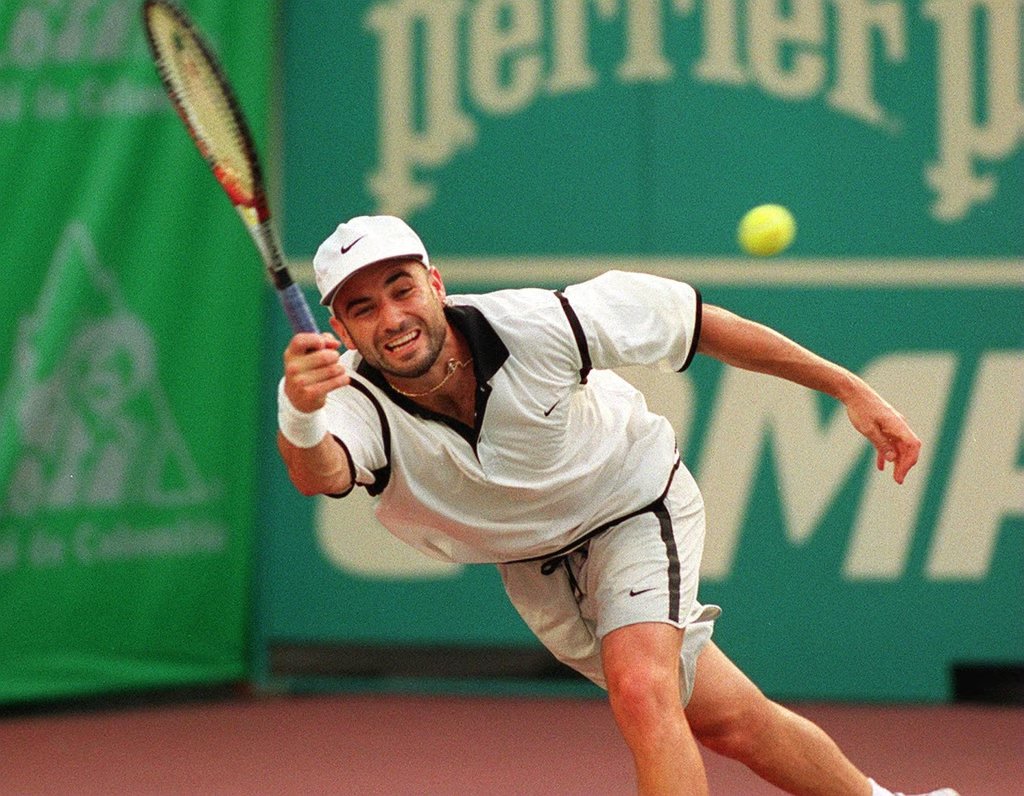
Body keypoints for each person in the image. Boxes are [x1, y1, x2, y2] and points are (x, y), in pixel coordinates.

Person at [277, 214, 958, 796]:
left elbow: (701, 326)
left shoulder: (538, 323)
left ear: (436, 285)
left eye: (402, 290)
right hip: (532, 562)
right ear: (340, 326)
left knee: (641, 689)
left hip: (630, 501)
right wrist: (301, 411)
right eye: (364, 308)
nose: (393, 319)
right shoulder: (340, 400)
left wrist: (848, 389)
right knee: (730, 722)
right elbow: (321, 472)